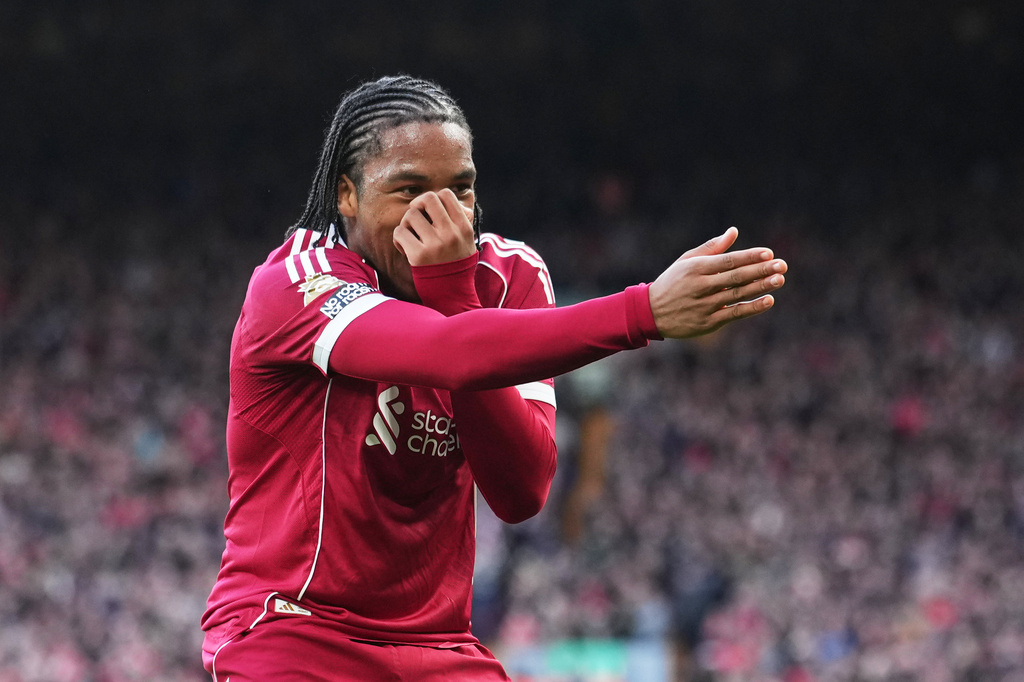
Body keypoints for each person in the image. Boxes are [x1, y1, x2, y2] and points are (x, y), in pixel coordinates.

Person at [201, 75, 787, 681]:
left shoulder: (511, 276)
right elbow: (449, 353)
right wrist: (644, 313)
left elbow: (521, 491)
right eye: (408, 190)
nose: (441, 215)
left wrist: (455, 294)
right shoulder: (295, 283)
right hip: (294, 630)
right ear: (347, 195)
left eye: (461, 188)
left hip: (440, 647)